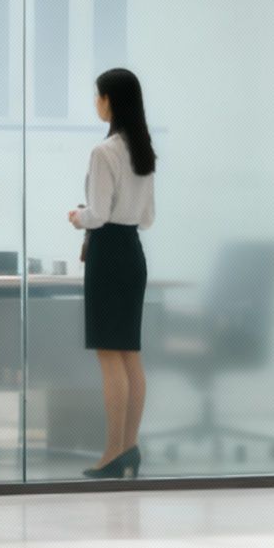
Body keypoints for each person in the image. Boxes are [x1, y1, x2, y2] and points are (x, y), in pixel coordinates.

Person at [68, 68, 157, 480]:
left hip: (107, 252)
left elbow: (98, 214)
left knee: (109, 355)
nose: (96, 102)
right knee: (129, 354)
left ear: (109, 101)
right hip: (132, 252)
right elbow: (148, 217)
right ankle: (129, 447)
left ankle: (110, 454)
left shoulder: (104, 153)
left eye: (98, 95)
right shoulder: (142, 150)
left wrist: (77, 216)